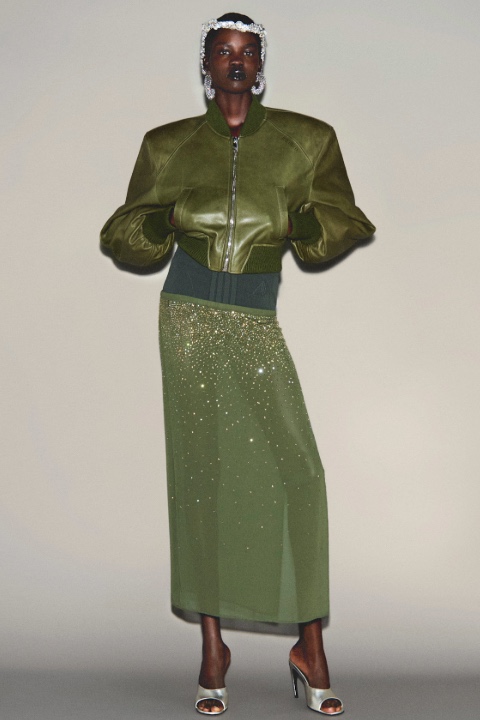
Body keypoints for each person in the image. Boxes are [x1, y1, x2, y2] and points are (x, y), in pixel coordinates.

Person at [100, 12, 375, 716]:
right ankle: (212, 651)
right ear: (205, 65)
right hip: (187, 316)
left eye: (247, 52)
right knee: (203, 477)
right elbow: (125, 232)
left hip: (254, 316)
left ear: (261, 66)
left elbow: (339, 221)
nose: (235, 61)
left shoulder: (305, 141)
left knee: (299, 472)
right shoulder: (167, 145)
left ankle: (309, 648)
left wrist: (292, 220)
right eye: (223, 50)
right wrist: (168, 218)